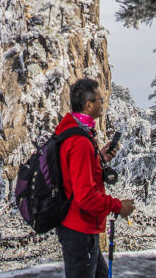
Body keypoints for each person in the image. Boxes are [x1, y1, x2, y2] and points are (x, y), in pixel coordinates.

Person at [55, 78, 136, 278]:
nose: (103, 102)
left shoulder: (72, 131)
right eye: (100, 99)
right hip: (80, 230)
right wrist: (118, 206)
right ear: (89, 105)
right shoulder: (80, 141)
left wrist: (98, 158)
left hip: (77, 228)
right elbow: (85, 197)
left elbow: (73, 173)